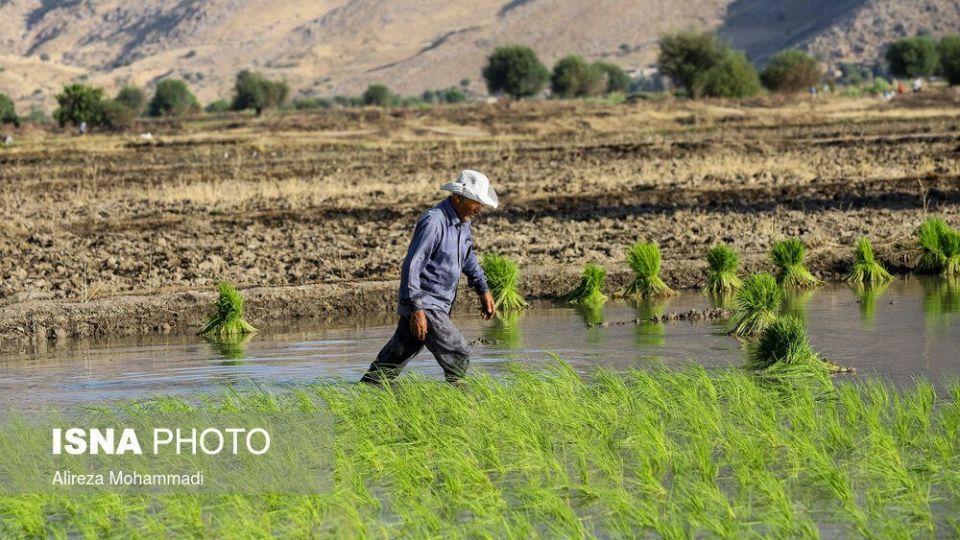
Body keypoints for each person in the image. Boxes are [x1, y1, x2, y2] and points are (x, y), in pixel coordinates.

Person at [360, 170, 499, 385]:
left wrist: (483, 289)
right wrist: (417, 310)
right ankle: (458, 401)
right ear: (458, 197)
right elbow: (411, 266)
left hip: (438, 304)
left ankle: (367, 392)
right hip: (426, 303)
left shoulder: (463, 221)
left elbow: (468, 256)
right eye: (476, 201)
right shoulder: (434, 222)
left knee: (388, 366)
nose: (479, 208)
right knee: (458, 352)